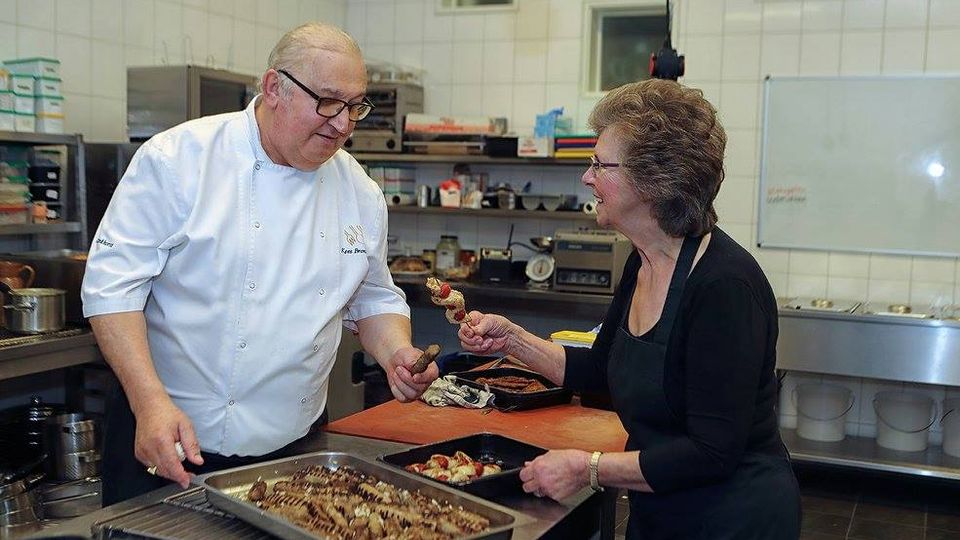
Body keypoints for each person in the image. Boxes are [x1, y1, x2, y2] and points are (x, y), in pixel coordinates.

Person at [82, 23, 438, 505]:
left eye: (355, 106)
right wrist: (148, 402)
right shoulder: (177, 160)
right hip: (170, 440)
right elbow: (111, 289)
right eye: (329, 102)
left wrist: (395, 351)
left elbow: (371, 295)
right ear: (275, 88)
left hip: (297, 450)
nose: (343, 124)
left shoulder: (360, 192)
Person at [459, 79, 801, 539]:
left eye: (599, 164)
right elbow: (601, 371)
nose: (586, 177)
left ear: (655, 179)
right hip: (659, 510)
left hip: (731, 517)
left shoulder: (725, 286)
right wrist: (515, 341)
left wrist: (589, 468)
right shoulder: (642, 261)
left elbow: (712, 452)